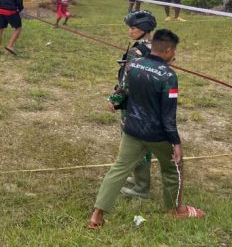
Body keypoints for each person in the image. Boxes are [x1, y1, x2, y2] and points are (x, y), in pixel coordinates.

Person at [88, 29, 205, 229]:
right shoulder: (169, 76)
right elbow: (168, 114)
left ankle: (97, 215)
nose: (174, 54)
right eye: (174, 50)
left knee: (119, 168)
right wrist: (175, 142)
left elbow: (122, 89)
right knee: (173, 169)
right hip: (157, 134)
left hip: (132, 128)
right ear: (168, 49)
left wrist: (114, 102)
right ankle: (177, 210)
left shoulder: (133, 65)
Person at [108, 10, 157, 200]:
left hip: (135, 105)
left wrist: (114, 100)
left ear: (143, 29)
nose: (129, 31)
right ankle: (138, 177)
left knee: (134, 141)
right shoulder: (158, 47)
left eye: (133, 28)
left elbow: (128, 82)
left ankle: (141, 188)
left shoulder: (135, 52)